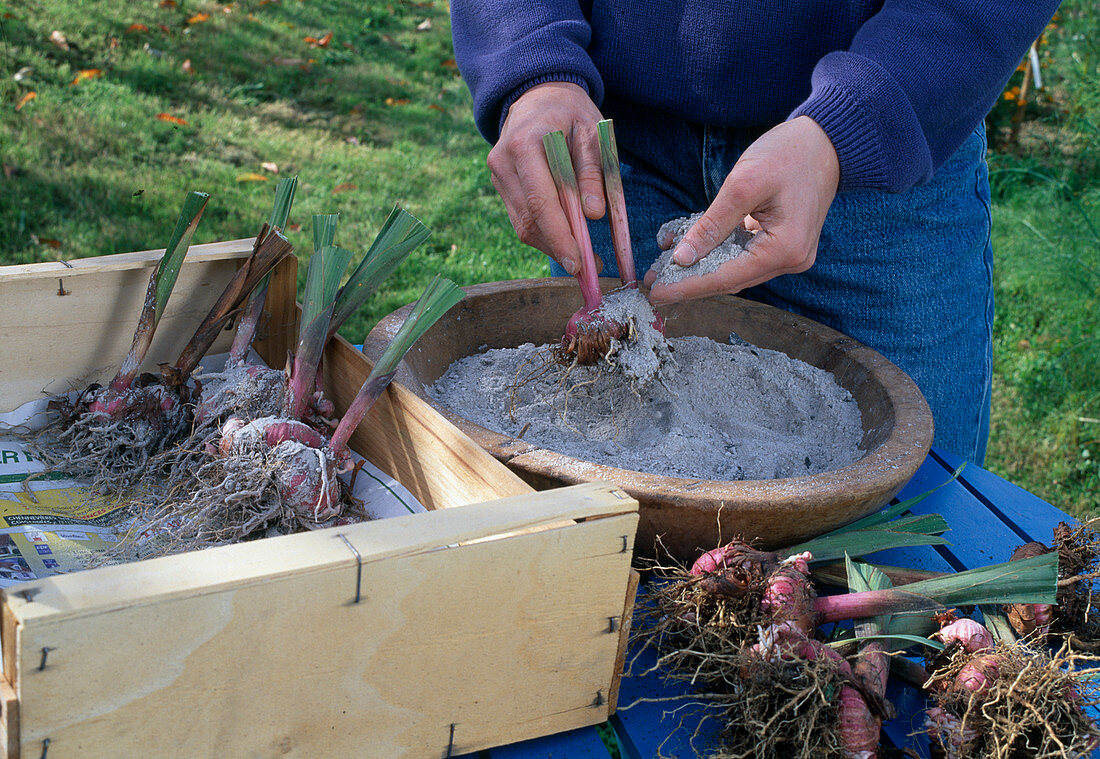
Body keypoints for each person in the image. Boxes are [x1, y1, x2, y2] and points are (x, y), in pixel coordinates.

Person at [451, 1, 1061, 464]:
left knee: (906, 544)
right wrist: (531, 64)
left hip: (879, 146)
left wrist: (854, 122)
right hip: (614, 142)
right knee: (613, 558)